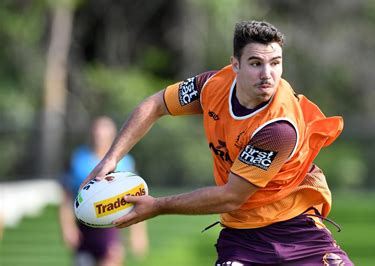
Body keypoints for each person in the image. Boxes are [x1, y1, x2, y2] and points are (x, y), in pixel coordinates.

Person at [82, 21, 353, 265]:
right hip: (243, 237)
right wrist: (111, 158)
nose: (268, 74)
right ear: (235, 64)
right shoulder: (212, 86)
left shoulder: (279, 127)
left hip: (297, 230)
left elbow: (231, 195)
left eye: (276, 63)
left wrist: (159, 206)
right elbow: (155, 104)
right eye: (256, 63)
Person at [59, 116, 148, 266]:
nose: (99, 136)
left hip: (111, 228)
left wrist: (138, 233)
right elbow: (66, 197)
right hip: (84, 227)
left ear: (113, 136)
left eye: (104, 133)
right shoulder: (78, 159)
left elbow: (137, 200)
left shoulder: (126, 162)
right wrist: (67, 227)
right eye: (97, 132)